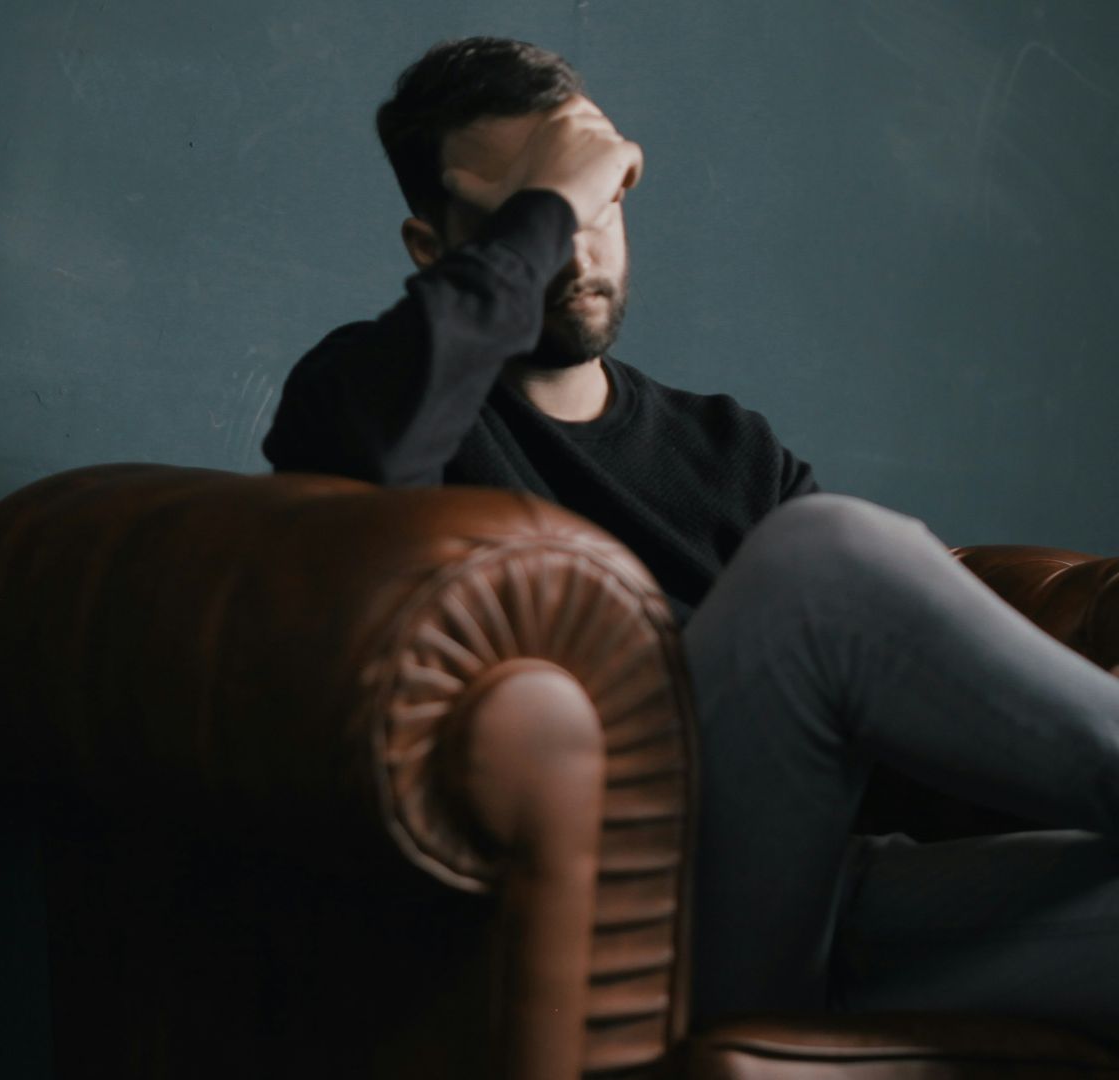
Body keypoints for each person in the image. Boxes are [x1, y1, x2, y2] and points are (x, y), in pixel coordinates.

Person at [263, 36, 1119, 1030]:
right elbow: (372, 456)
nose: (577, 249)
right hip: (633, 929)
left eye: (599, 206)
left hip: (826, 911)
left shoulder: (728, 448)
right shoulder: (367, 394)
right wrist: (551, 201)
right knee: (824, 557)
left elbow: (884, 711)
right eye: (536, 217)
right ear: (435, 249)